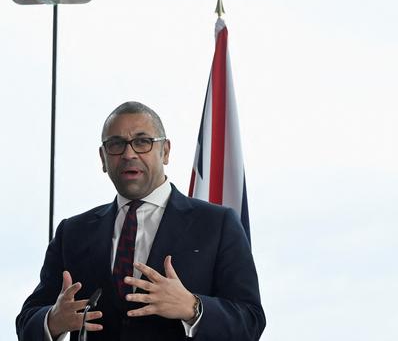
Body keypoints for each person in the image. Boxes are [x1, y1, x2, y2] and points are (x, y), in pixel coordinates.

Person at [16, 101, 265, 341]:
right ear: (103, 158)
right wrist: (53, 320)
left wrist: (193, 308)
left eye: (142, 142)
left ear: (165, 151)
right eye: (116, 145)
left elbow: (251, 322)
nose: (128, 153)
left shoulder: (218, 223)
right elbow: (27, 321)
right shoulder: (72, 232)